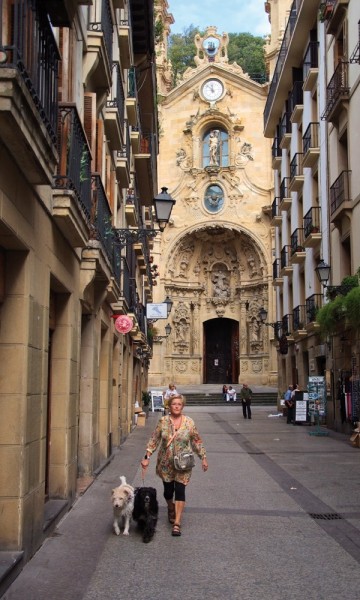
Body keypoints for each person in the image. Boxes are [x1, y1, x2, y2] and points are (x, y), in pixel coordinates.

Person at [140, 394, 208, 537]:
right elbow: (154, 439)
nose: (177, 406)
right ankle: (170, 506)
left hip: (183, 464)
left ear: (182, 406)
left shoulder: (189, 422)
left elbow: (196, 441)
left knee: (180, 490)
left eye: (179, 404)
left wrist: (203, 457)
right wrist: (147, 457)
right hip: (166, 464)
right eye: (174, 404)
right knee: (168, 492)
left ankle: (177, 523)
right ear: (169, 406)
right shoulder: (163, 421)